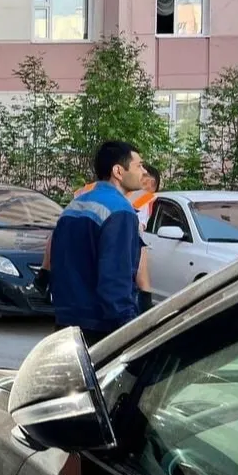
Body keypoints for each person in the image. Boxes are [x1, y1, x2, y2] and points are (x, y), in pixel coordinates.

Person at [49, 140, 147, 346]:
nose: (144, 172)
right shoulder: (121, 211)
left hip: (66, 320)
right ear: (118, 171)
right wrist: (129, 327)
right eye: (139, 165)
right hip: (99, 326)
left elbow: (54, 253)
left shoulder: (74, 205)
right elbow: (115, 276)